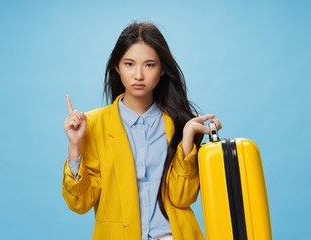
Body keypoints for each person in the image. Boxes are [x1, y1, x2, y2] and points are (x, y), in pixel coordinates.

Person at [62, 22, 221, 240]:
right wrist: (75, 147)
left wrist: (187, 138)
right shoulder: (93, 124)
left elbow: (182, 197)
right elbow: (79, 203)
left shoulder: (177, 123)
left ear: (162, 69)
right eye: (129, 64)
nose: (138, 75)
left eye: (149, 65)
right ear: (117, 67)